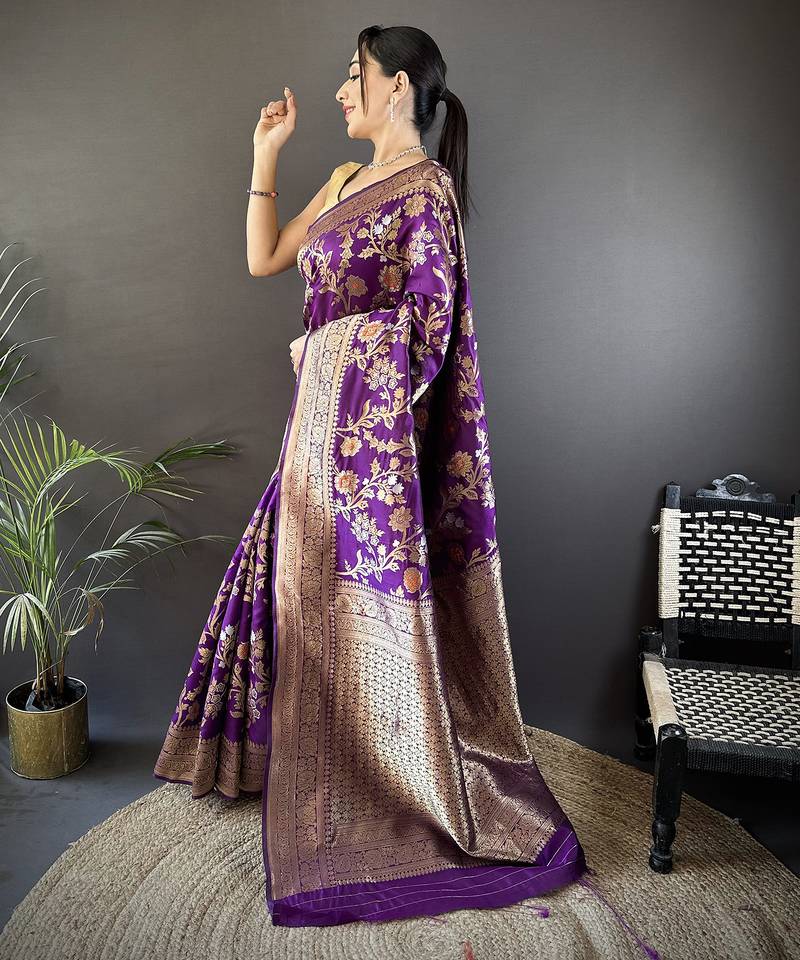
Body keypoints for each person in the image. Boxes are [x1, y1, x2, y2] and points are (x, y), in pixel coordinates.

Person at [154, 24, 590, 928]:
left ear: (398, 85)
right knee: (288, 599)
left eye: (355, 75)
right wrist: (265, 155)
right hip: (311, 437)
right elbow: (264, 258)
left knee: (344, 616)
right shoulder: (346, 180)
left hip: (368, 457)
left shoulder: (427, 192)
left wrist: (330, 348)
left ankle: (374, 783)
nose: (342, 90)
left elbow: (429, 331)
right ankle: (298, 768)